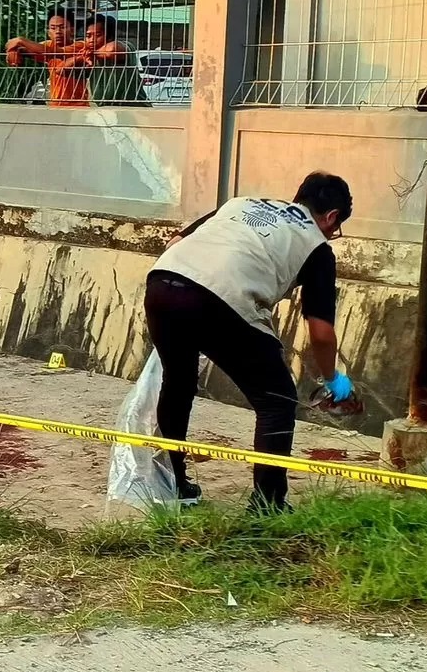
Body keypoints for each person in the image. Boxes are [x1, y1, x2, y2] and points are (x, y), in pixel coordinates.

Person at [144, 174, 356, 511]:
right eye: (335, 227)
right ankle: (267, 505)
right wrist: (333, 379)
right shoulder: (317, 248)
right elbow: (320, 333)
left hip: (162, 283)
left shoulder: (242, 203)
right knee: (278, 401)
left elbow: (174, 242)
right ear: (331, 217)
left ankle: (174, 484)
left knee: (178, 382)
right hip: (220, 298)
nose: (332, 233)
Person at [4, 9, 90, 107]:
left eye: (62, 27)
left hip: (78, 106)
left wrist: (20, 40)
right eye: (53, 28)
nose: (57, 32)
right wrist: (12, 50)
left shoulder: (81, 46)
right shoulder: (48, 45)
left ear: (73, 30)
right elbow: (14, 45)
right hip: (55, 105)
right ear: (48, 32)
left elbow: (54, 52)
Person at [83, 14, 148, 107]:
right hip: (108, 111)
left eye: (98, 35)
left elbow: (112, 50)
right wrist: (82, 57)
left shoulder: (125, 46)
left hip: (135, 109)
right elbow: (61, 68)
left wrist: (92, 53)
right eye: (88, 36)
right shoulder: (89, 55)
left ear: (110, 37)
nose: (91, 40)